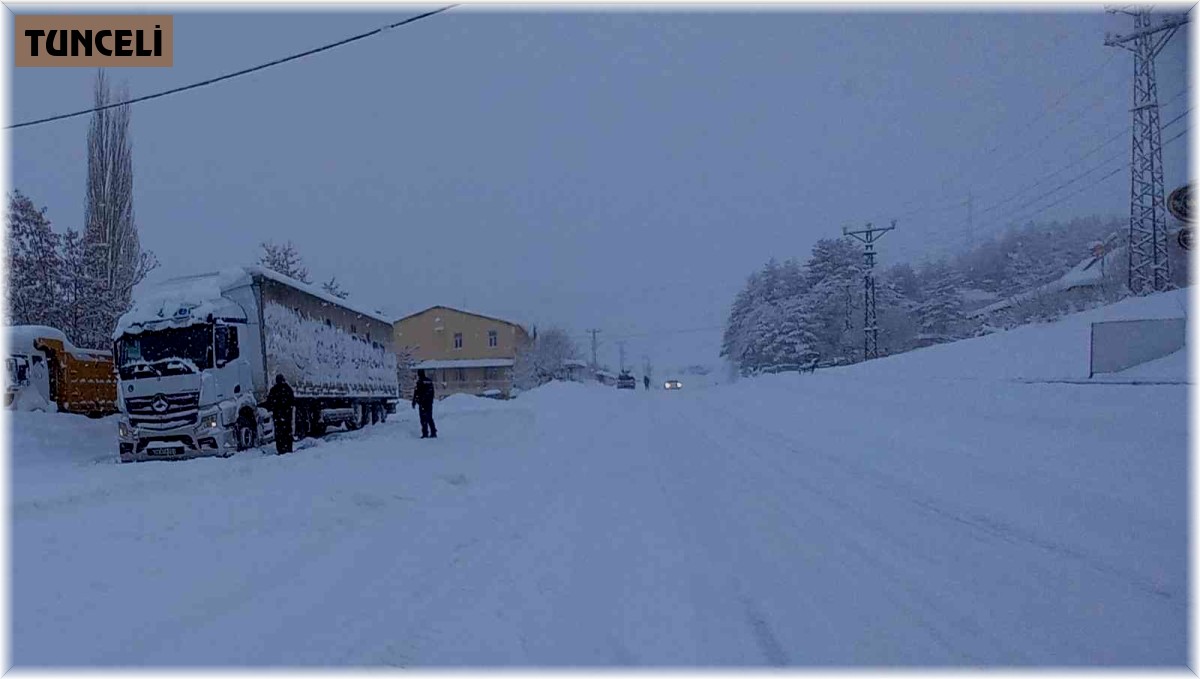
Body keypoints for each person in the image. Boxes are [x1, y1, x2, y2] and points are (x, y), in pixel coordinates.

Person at [266, 374, 295, 454]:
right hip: (287, 416)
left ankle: (281, 449)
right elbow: (292, 401)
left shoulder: (274, 390)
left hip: (278, 416)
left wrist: (273, 408)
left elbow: (269, 403)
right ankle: (289, 449)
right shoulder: (288, 389)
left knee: (279, 434)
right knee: (288, 432)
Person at [412, 368, 437, 439]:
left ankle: (425, 433)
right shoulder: (429, 381)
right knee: (429, 417)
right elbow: (432, 392)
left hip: (422, 403)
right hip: (428, 403)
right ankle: (433, 432)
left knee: (423, 418)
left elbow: (416, 392)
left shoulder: (420, 382)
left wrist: (415, 401)